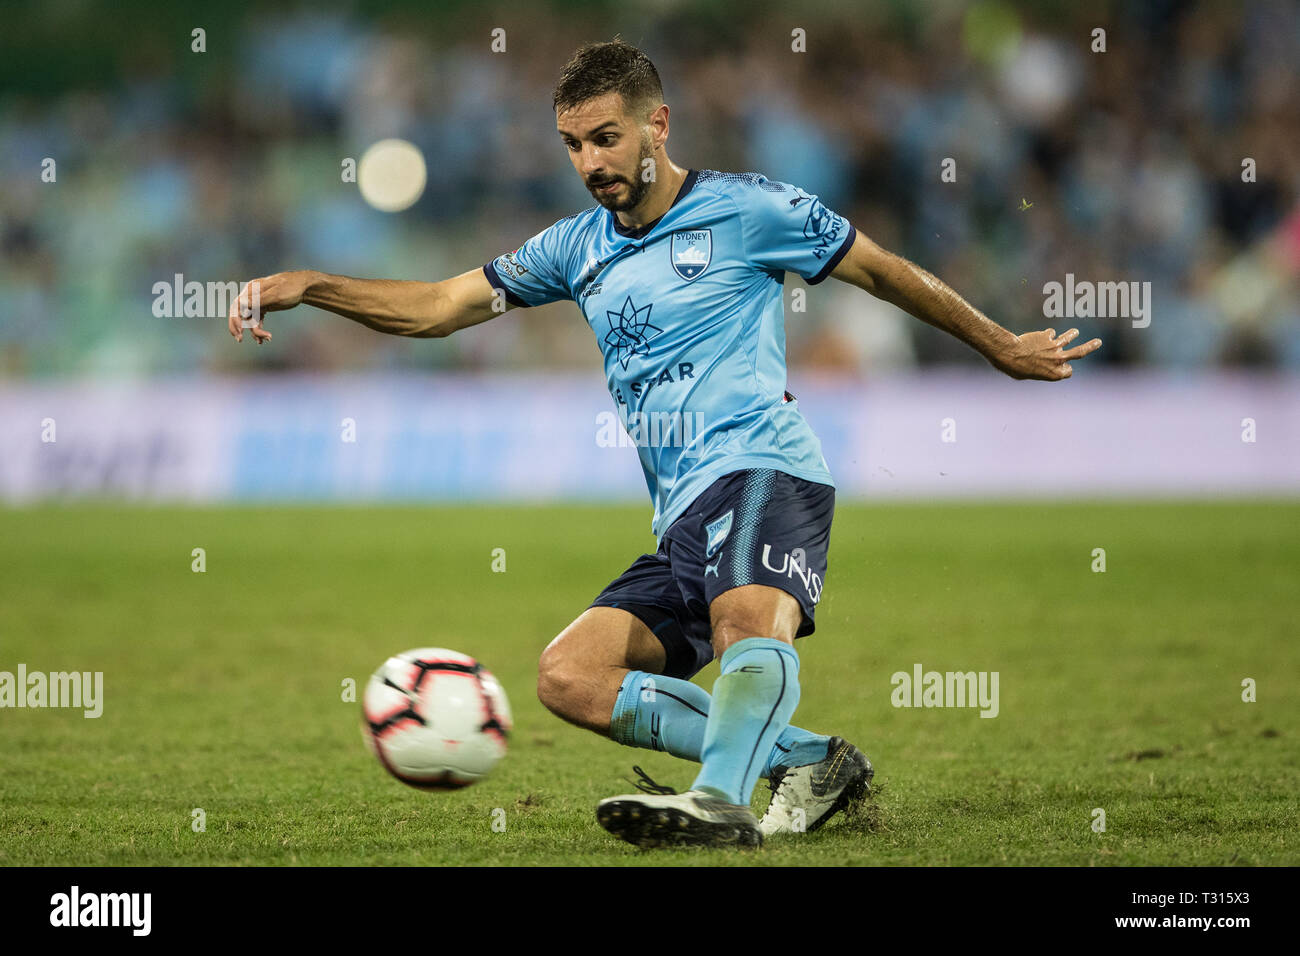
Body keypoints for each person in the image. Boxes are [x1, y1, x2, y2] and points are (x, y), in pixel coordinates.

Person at [227, 38, 1101, 850]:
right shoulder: (573, 248)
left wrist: (1001, 345)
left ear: (658, 124)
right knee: (569, 675)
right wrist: (311, 285)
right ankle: (808, 760)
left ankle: (720, 803)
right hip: (680, 510)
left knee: (746, 620)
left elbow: (880, 268)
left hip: (763, 465)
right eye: (572, 144)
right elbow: (440, 308)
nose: (590, 163)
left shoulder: (751, 209)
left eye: (606, 138)